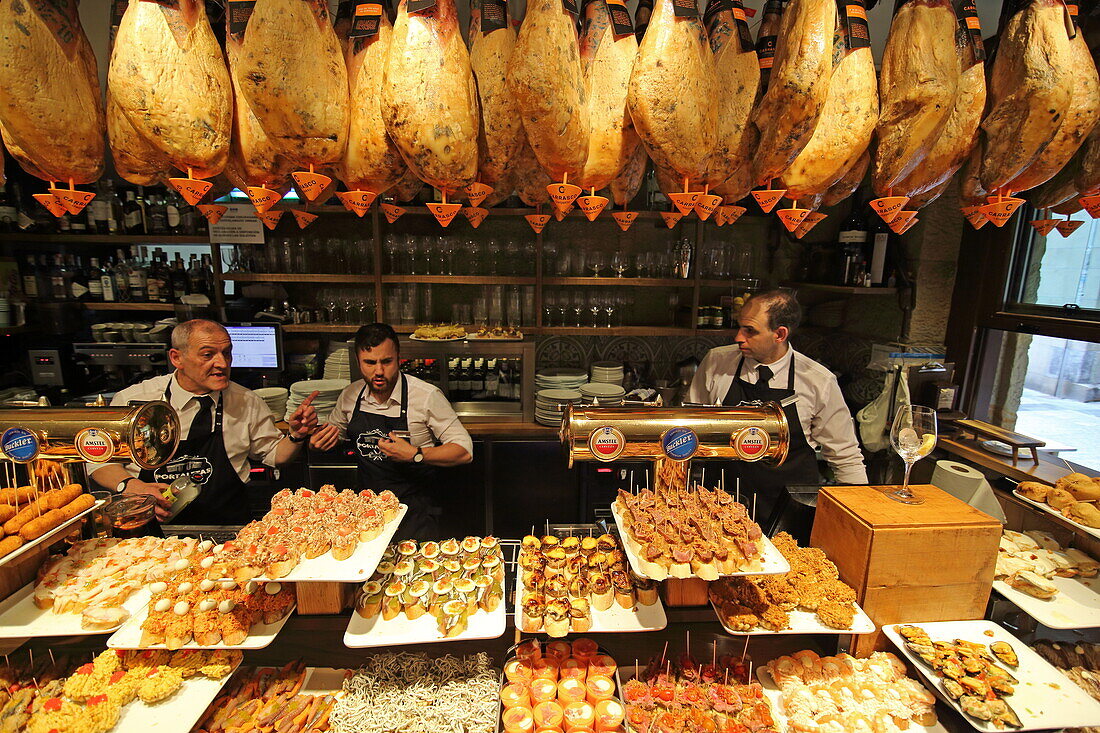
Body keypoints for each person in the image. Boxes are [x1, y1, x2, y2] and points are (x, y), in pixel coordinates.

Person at [89, 319, 319, 524]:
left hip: (227, 529)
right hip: (149, 531)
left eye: (226, 353)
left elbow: (274, 455)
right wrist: (130, 486)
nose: (222, 363)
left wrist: (296, 434)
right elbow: (99, 461)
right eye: (208, 354)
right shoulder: (135, 400)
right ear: (176, 358)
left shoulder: (246, 401)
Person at [688, 290, 868, 494]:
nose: (738, 337)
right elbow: (689, 431)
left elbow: (846, 456)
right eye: (740, 327)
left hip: (790, 509)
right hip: (721, 504)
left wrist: (858, 509)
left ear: (780, 334)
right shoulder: (717, 362)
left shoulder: (819, 381)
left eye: (750, 331)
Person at [310, 323, 473, 540]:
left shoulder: (426, 396)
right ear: (358, 362)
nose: (379, 371)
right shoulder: (350, 396)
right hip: (368, 513)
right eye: (370, 363)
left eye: (386, 362)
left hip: (415, 513)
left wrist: (416, 454)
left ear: (398, 358)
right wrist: (314, 437)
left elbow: (464, 451)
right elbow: (332, 435)